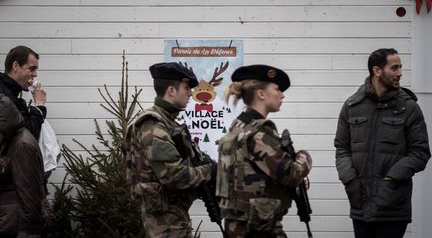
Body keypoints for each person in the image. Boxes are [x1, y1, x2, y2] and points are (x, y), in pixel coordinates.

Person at [334, 48, 431, 238]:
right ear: (377, 71)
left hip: (393, 206)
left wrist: (391, 179)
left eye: (400, 67)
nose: (400, 73)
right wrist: (350, 179)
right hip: (360, 202)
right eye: (394, 68)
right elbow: (342, 148)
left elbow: (420, 152)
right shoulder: (352, 106)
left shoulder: (408, 107)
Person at [216, 64, 312, 238]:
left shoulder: (238, 127)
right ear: (261, 94)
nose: (282, 95)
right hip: (259, 229)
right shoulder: (258, 132)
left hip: (238, 226)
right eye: (277, 89)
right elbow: (292, 173)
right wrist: (304, 156)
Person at [126, 62, 217, 238]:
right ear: (171, 90)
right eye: (186, 88)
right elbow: (173, 175)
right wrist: (209, 171)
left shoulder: (168, 123)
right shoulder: (153, 124)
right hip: (165, 223)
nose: (191, 93)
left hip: (173, 217)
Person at [0, 94, 52, 238]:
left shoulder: (21, 145)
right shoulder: (5, 140)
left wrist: (29, 234)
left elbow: (30, 198)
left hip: (15, 226)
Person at [0, 45, 47, 139]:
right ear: (16, 66)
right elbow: (28, 138)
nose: (35, 74)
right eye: (32, 69)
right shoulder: (4, 98)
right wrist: (39, 105)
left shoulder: (10, 92)